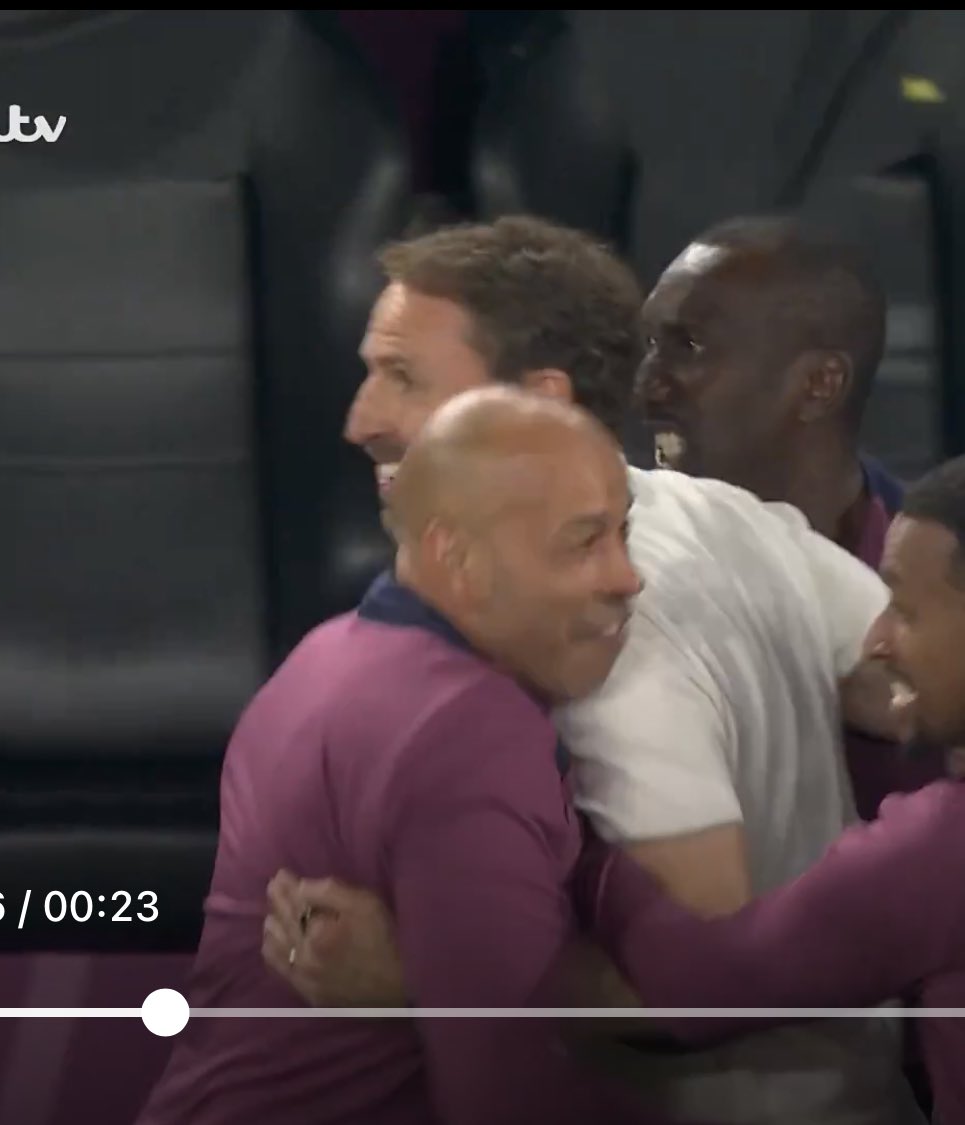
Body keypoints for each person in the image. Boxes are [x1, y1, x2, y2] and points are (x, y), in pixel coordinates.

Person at [265, 215, 921, 1125]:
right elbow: (909, 689)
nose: (362, 420)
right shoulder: (725, 513)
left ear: (537, 399)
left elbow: (707, 983)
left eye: (406, 380)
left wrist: (427, 967)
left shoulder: (602, 633)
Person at [136, 386, 666, 1125]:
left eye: (621, 534)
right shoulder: (469, 730)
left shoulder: (324, 656)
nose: (626, 576)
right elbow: (510, 1099)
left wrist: (429, 980)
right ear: (458, 554)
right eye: (582, 541)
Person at [587, 454, 965, 1125]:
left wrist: (583, 861)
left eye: (903, 608)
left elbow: (700, 987)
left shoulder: (941, 853)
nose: (876, 639)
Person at [635, 213, 943, 819]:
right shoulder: (597, 572)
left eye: (689, 347)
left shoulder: (946, 590)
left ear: (819, 384)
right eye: (649, 345)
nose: (647, 385)